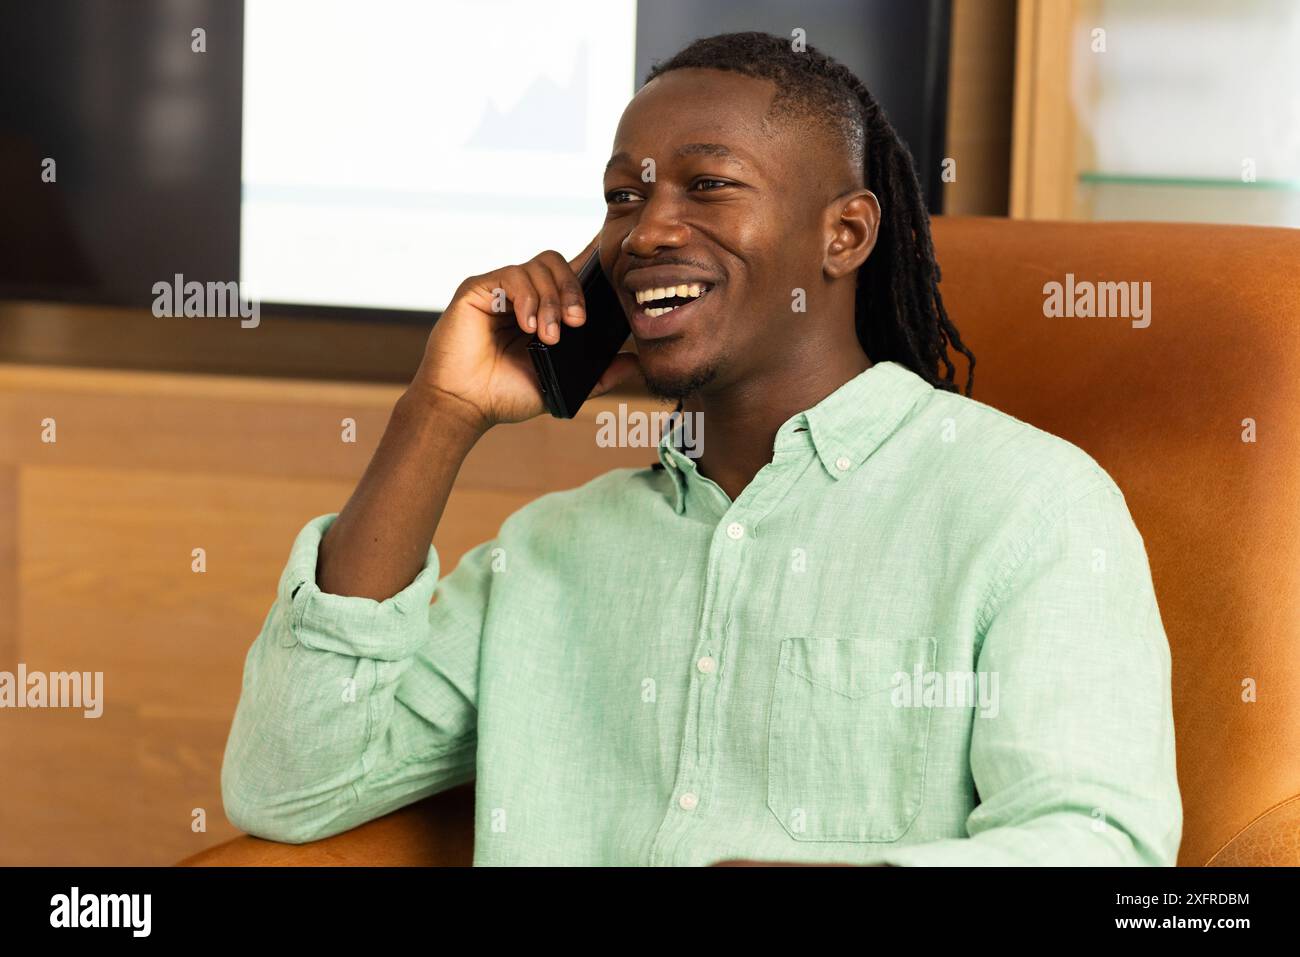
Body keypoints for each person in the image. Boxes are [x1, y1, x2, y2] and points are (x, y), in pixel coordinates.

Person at [220, 32, 1182, 865]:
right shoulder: (545, 554)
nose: (646, 231)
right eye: (621, 198)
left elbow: (1099, 845)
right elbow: (289, 786)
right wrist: (438, 414)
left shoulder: (1030, 506)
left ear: (844, 234)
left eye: (708, 185)